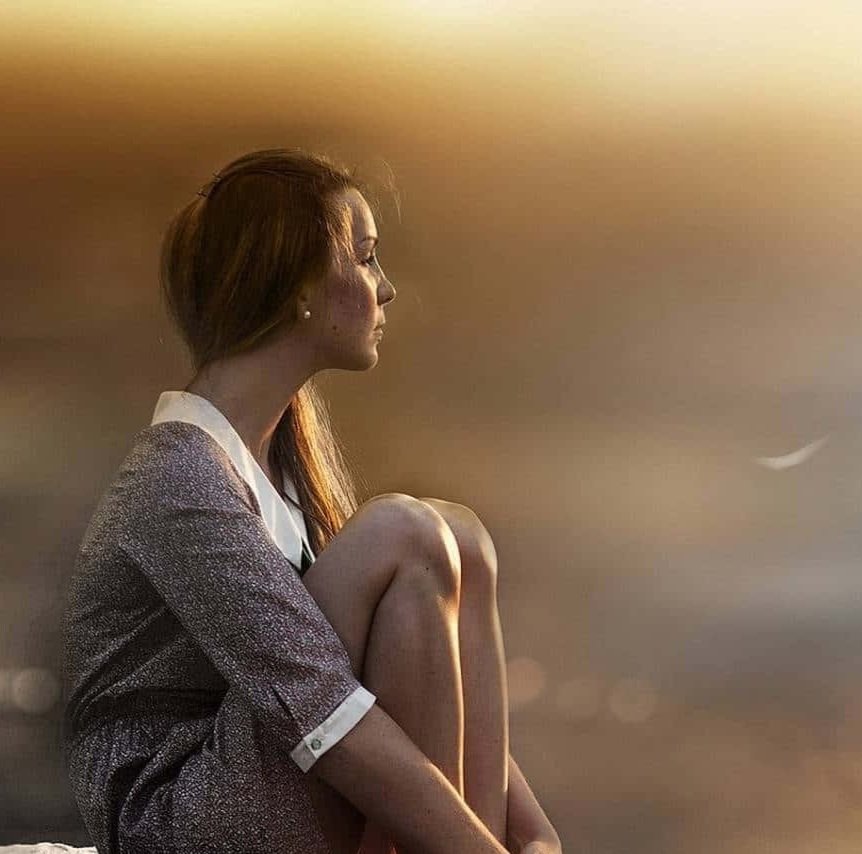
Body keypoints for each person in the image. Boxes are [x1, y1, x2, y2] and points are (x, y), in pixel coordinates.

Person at [60, 148, 562, 854]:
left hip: (263, 767)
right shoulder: (176, 478)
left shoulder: (285, 466)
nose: (384, 289)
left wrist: (530, 833)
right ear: (295, 283)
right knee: (403, 533)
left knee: (459, 536)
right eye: (364, 258)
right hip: (175, 818)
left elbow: (399, 678)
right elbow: (320, 708)